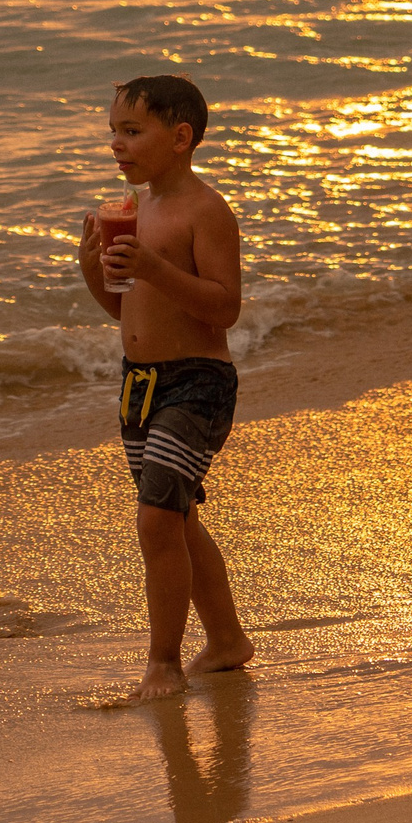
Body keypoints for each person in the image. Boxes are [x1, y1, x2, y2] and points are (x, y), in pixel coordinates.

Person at [78, 74, 255, 701]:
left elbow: (224, 307)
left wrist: (153, 265)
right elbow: (125, 311)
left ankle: (162, 663)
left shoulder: (206, 212)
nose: (117, 146)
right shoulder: (135, 210)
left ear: (180, 138)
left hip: (197, 384)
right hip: (140, 385)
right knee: (175, 520)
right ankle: (228, 640)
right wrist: (93, 271)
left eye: (131, 132)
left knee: (156, 519)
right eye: (113, 134)